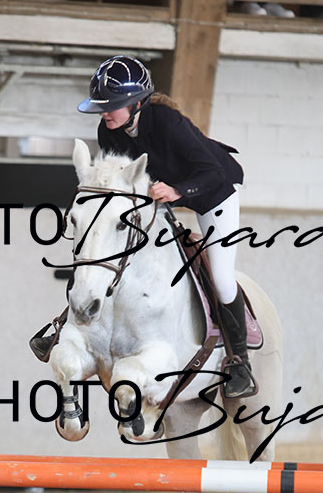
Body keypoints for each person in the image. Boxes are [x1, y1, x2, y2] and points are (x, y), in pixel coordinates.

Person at [36, 55, 257, 398]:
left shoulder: (168, 123)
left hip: (213, 192)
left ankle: (239, 362)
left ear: (136, 104)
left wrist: (177, 191)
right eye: (101, 107)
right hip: (158, 195)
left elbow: (212, 172)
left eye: (111, 106)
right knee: (108, 255)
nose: (104, 113)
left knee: (222, 276)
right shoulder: (108, 131)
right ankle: (67, 323)